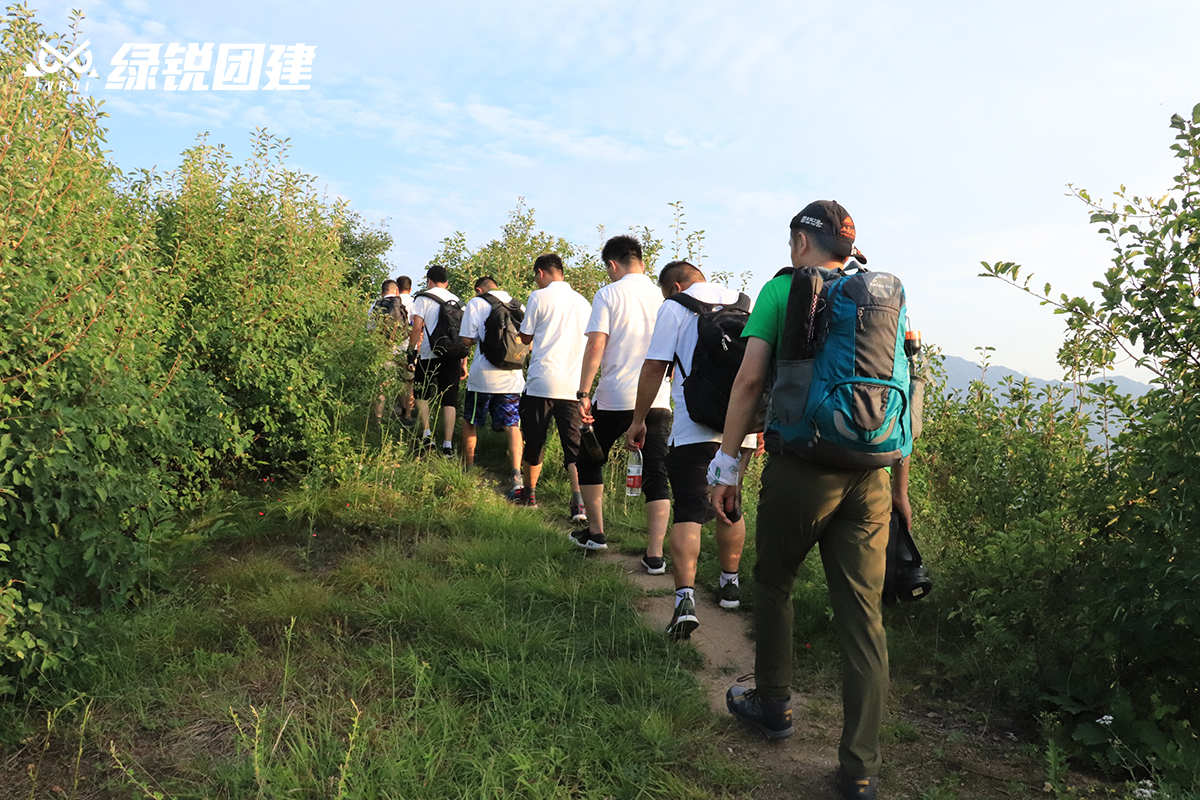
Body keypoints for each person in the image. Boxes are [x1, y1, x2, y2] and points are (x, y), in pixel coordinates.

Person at [710, 201, 909, 800]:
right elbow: (902, 387)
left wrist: (727, 463)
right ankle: (860, 771)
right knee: (863, 616)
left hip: (802, 467)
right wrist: (899, 486)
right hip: (872, 471)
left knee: (773, 580)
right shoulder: (883, 300)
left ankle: (772, 705)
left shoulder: (783, 290)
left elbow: (749, 381)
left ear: (801, 240)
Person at [624, 260, 757, 637]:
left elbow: (654, 367)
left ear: (675, 287)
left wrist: (639, 420)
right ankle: (729, 585)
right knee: (730, 501)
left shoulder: (675, 306)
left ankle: (685, 600)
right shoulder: (745, 303)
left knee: (689, 508)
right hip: (741, 424)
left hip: (693, 425)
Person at [573, 235, 672, 552]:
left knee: (588, 459)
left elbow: (596, 344)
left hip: (615, 397)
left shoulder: (607, 294)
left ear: (613, 264)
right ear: (641, 261)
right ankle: (655, 554)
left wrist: (583, 391)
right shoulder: (664, 298)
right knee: (656, 473)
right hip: (656, 399)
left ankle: (596, 533)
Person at [515, 253, 592, 519]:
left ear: (540, 273)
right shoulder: (584, 303)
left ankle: (530, 496)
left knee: (535, 441)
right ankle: (578, 504)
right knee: (574, 446)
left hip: (542, 383)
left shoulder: (539, 297)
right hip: (573, 386)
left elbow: (525, 337)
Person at [458, 276, 525, 490]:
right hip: (513, 377)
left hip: (482, 378)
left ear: (479, 289)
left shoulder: (476, 302)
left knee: (471, 421)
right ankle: (516, 475)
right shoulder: (517, 304)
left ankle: (469, 466)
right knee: (512, 425)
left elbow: (467, 340)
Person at [409, 265, 467, 458]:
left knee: (422, 392)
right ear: (446, 283)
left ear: (429, 281)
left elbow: (417, 327)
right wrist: (464, 361)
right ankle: (448, 445)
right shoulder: (458, 302)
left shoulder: (423, 298)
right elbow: (464, 334)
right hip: (453, 355)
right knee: (449, 398)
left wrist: (411, 351)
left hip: (428, 353)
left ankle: (427, 435)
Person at [367, 278, 412, 427]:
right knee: (406, 382)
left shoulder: (375, 306)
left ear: (382, 293)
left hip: (383, 351)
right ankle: (406, 415)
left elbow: (369, 331)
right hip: (403, 350)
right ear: (397, 291)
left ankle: (378, 420)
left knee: (381, 386)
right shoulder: (406, 305)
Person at [395, 275, 416, 426]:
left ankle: (401, 408)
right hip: (409, 348)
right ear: (410, 288)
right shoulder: (415, 302)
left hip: (391, 348)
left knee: (397, 381)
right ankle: (408, 415)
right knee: (410, 382)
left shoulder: (391, 302)